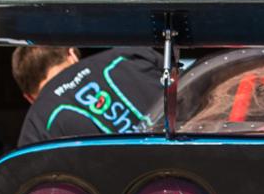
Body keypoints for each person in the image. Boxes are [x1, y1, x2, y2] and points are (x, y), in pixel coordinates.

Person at [13, 45, 165, 146]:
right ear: (72, 54)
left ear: (29, 98)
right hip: (177, 166)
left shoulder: (36, 122)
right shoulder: (128, 55)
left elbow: (28, 180)